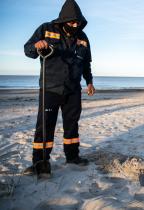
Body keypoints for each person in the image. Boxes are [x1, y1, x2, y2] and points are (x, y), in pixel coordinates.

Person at [24, 0, 95, 176]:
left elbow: (86, 63)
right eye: (71, 21)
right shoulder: (46, 29)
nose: (75, 24)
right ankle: (40, 161)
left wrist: (89, 81)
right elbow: (28, 50)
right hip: (50, 88)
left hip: (73, 89)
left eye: (77, 22)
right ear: (63, 20)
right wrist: (36, 46)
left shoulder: (83, 38)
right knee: (45, 126)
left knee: (72, 125)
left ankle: (72, 156)